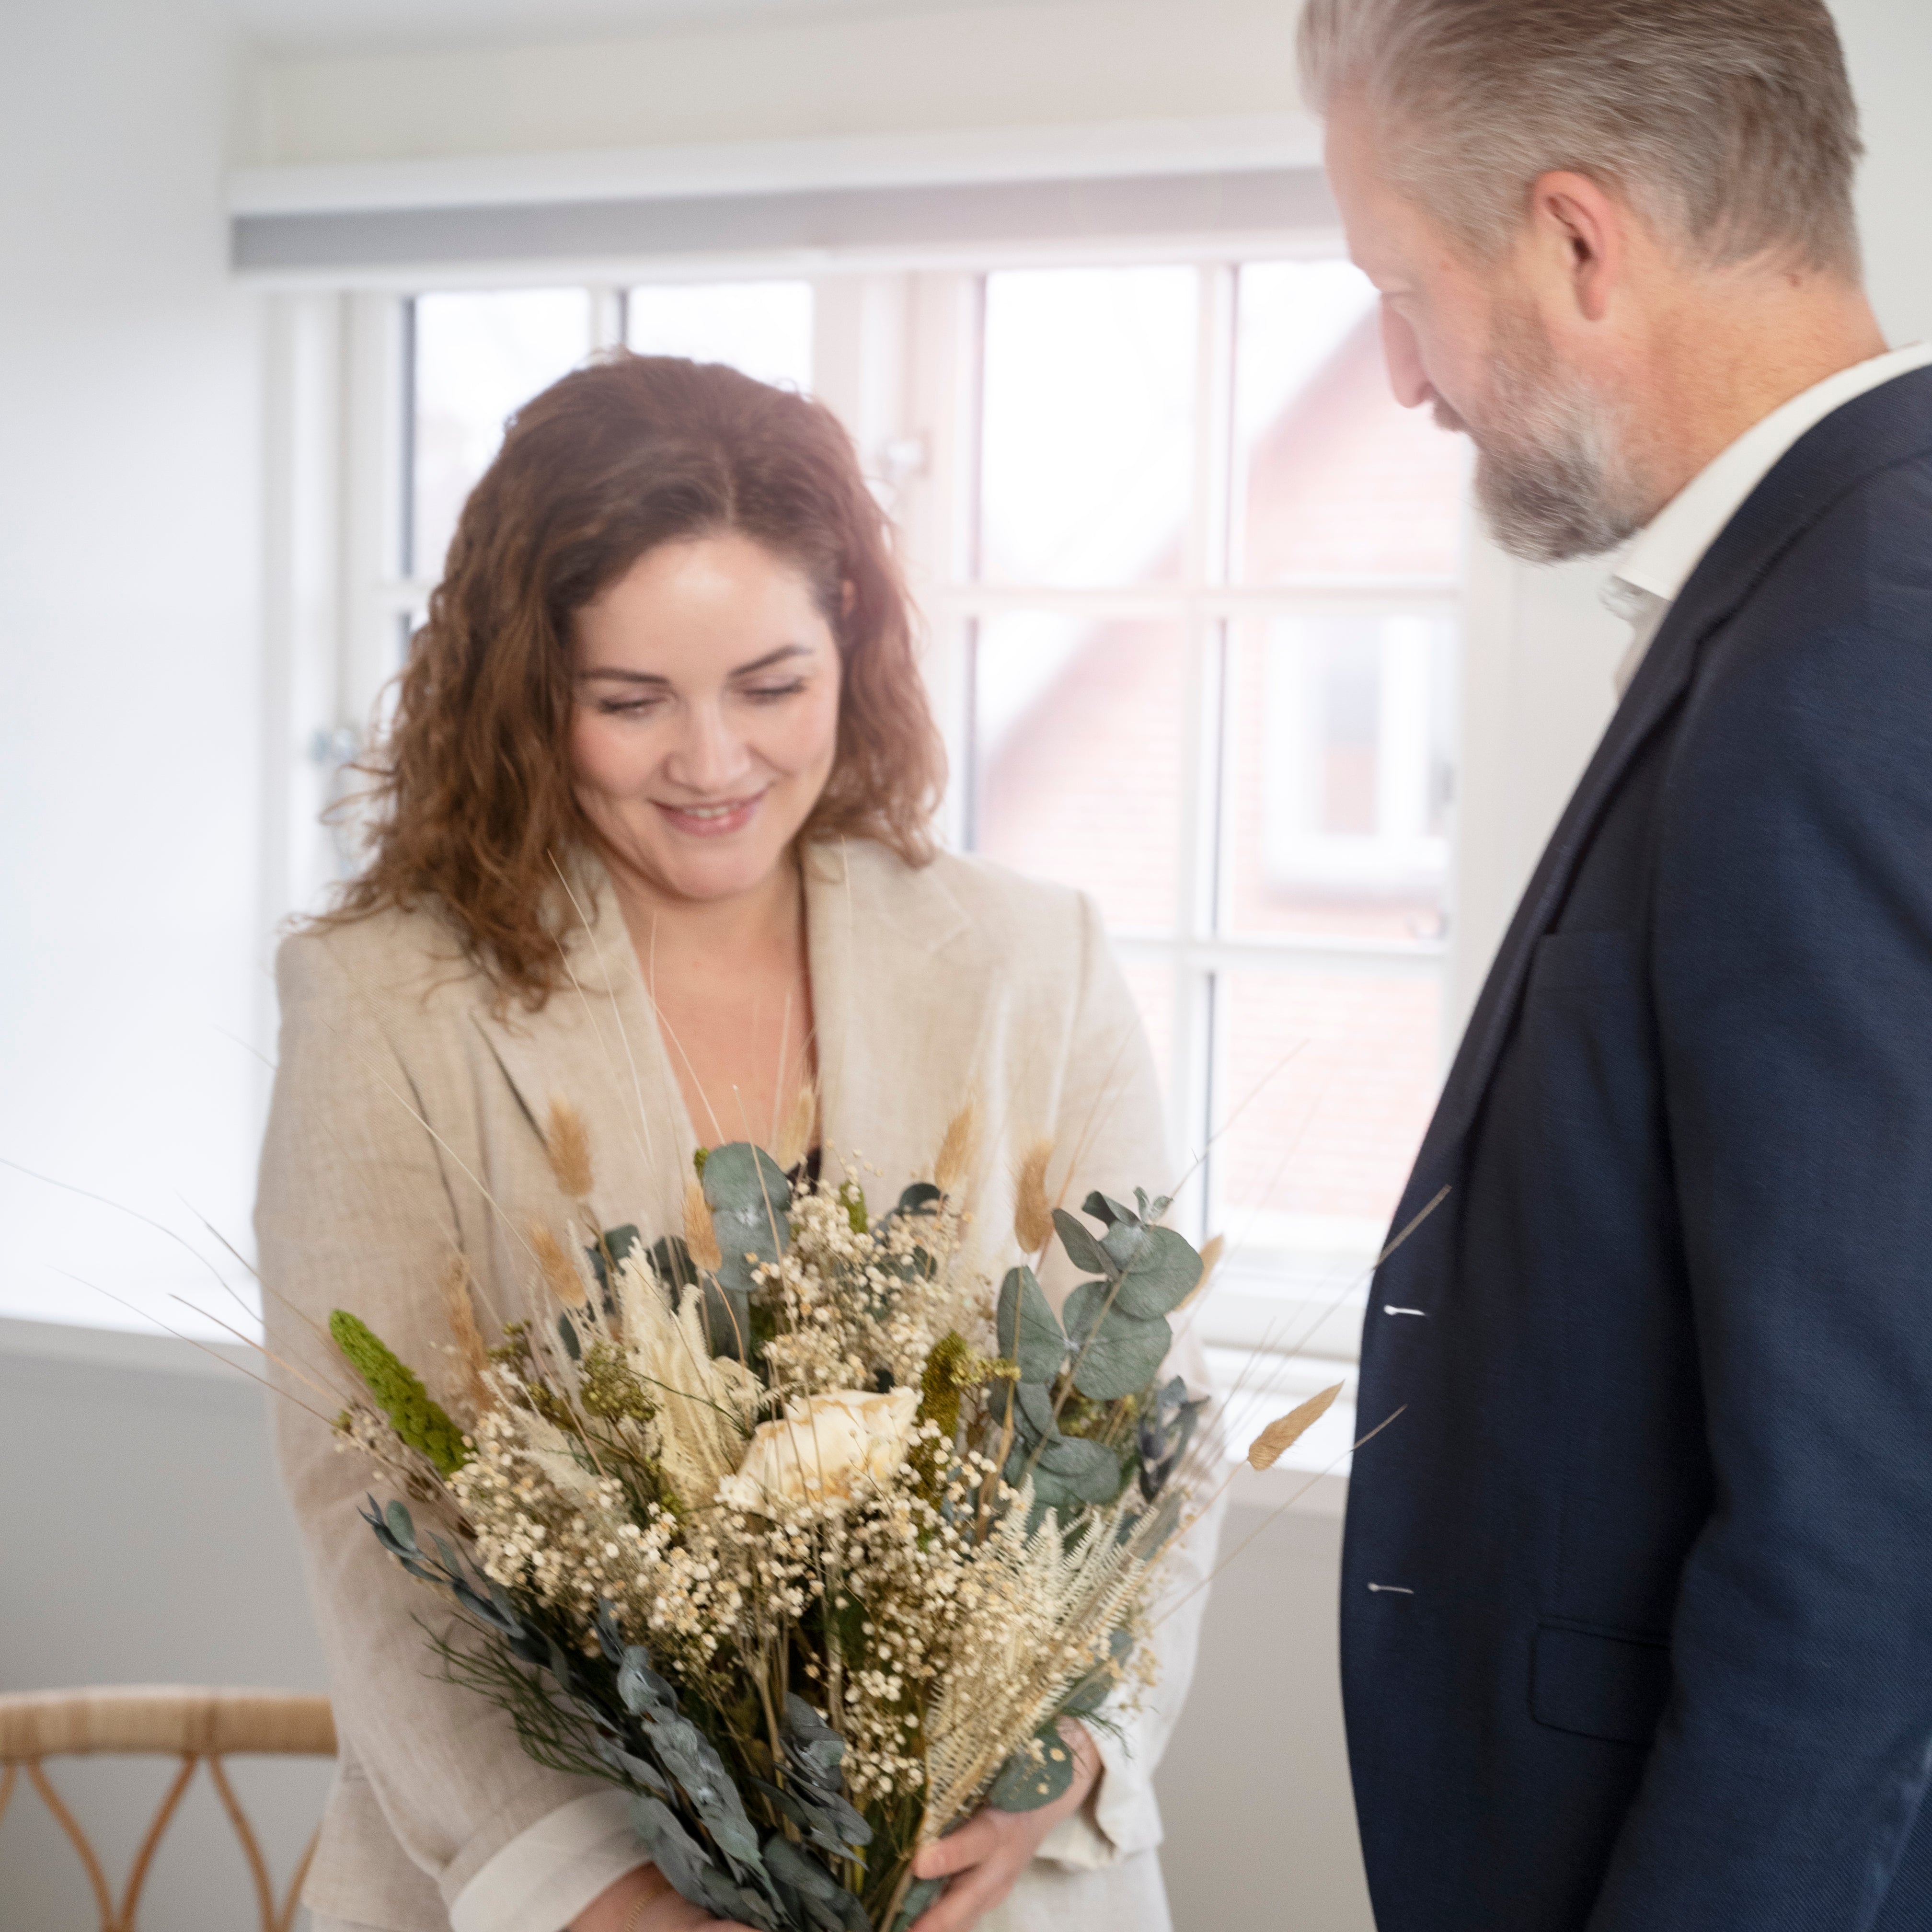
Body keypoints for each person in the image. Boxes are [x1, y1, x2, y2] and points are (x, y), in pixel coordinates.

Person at [256, 355, 1219, 1932]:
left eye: (771, 687)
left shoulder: (1031, 961)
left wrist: (1079, 1753)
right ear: (529, 690)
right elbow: (374, 1504)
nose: (712, 764)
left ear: (854, 638)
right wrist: (591, 1891)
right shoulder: (381, 1002)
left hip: (986, 1891)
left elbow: (1148, 1431)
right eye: (630, 703)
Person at [1295, 1, 1932, 1926]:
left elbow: (1869, 1539)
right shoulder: (1819, 591)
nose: (1404, 380)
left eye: (1405, 289)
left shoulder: (1850, 647)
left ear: (1579, 242)